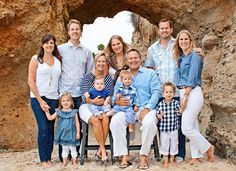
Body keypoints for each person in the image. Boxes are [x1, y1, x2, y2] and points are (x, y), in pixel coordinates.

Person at [144, 18, 205, 163]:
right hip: (161, 92)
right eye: (162, 28)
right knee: (164, 124)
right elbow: (148, 68)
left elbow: (190, 55)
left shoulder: (177, 44)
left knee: (179, 125)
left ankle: (180, 154)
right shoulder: (152, 49)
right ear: (158, 30)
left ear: (171, 30)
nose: (164, 30)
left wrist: (199, 52)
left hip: (178, 92)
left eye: (167, 28)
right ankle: (165, 154)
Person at [110, 48, 162, 169]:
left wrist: (147, 109)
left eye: (135, 57)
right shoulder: (122, 76)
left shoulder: (150, 74)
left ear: (140, 59)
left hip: (146, 107)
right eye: (130, 58)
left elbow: (156, 92)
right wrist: (117, 101)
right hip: (126, 109)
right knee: (115, 121)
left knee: (149, 123)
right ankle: (124, 155)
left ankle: (143, 155)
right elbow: (114, 96)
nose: (133, 60)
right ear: (127, 61)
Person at [173, 29, 215, 165]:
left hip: (192, 92)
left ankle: (208, 148)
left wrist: (185, 96)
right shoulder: (181, 58)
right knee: (193, 125)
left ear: (190, 41)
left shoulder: (195, 55)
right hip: (182, 92)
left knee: (186, 128)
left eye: (186, 39)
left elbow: (191, 77)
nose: (183, 41)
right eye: (181, 39)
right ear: (178, 42)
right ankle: (196, 156)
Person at [58, 19, 94, 160]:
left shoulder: (87, 51)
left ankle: (80, 153)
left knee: (81, 125)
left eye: (77, 29)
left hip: (80, 93)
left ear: (81, 31)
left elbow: (89, 73)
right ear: (68, 32)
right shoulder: (60, 49)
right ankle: (64, 156)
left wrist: (87, 92)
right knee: (64, 125)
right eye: (72, 29)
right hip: (65, 93)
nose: (75, 31)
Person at [28, 34, 62, 168]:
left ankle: (48, 157)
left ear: (54, 45)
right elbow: (31, 81)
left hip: (53, 98)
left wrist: (60, 98)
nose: (49, 45)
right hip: (38, 98)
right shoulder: (36, 59)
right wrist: (40, 100)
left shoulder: (58, 61)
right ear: (42, 45)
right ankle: (43, 159)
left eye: (52, 43)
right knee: (42, 128)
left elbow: (59, 81)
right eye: (46, 43)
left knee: (50, 128)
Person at [79, 52, 113, 164]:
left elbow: (110, 94)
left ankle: (100, 150)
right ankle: (103, 150)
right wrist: (93, 101)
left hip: (102, 106)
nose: (101, 63)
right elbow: (84, 96)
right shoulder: (88, 77)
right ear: (95, 62)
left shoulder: (108, 78)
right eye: (99, 61)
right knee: (96, 121)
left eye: (103, 61)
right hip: (87, 106)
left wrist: (104, 102)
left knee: (105, 118)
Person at [45, 92, 80, 167]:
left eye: (68, 100)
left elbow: (77, 123)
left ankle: (74, 161)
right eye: (63, 101)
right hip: (63, 134)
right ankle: (64, 161)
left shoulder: (74, 112)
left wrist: (78, 133)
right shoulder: (58, 112)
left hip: (72, 134)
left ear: (71, 102)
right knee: (64, 149)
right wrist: (46, 112)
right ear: (60, 103)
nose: (66, 102)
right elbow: (50, 118)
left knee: (73, 148)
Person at [156, 82, 182, 168]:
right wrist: (159, 116)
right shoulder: (160, 104)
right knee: (164, 144)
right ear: (163, 94)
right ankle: (166, 160)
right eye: (166, 92)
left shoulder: (176, 103)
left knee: (174, 143)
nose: (168, 94)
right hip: (164, 129)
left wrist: (180, 111)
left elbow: (179, 113)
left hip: (174, 128)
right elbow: (157, 114)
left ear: (174, 94)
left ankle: (172, 158)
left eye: (171, 92)